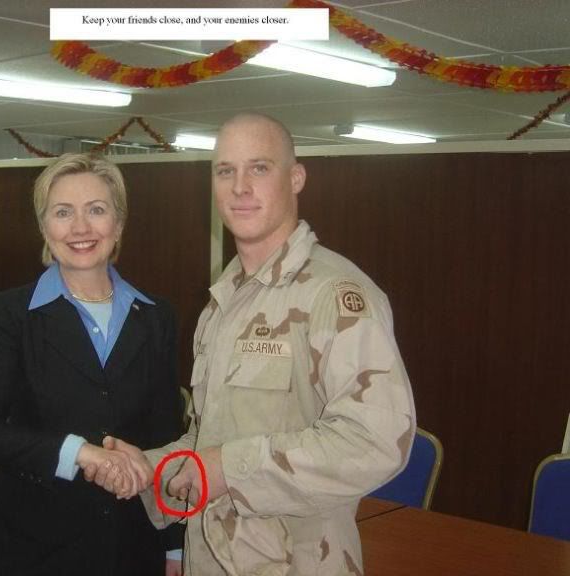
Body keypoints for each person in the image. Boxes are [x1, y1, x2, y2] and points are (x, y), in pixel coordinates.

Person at [91, 113, 416, 576]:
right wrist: (149, 467)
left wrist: (228, 468)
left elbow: (376, 441)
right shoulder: (223, 302)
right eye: (225, 171)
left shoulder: (333, 296)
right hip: (212, 559)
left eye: (259, 168)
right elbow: (210, 440)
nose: (240, 187)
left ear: (296, 178)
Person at [0, 153, 184, 576]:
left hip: (131, 542)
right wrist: (77, 453)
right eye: (63, 212)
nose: (80, 228)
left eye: (96, 210)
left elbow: (166, 436)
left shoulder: (156, 317)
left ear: (119, 223)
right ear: (45, 227)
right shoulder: (12, 314)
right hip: (31, 544)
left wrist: (174, 545)